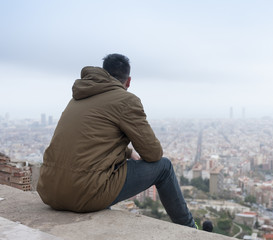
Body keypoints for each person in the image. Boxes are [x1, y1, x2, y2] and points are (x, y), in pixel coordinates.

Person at [37, 53, 196, 228]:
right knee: (164, 167)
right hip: (84, 194)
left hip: (50, 191)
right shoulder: (126, 101)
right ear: (128, 81)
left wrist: (128, 152)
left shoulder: (77, 98)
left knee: (106, 171)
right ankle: (191, 229)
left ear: (104, 74)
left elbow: (89, 141)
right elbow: (153, 153)